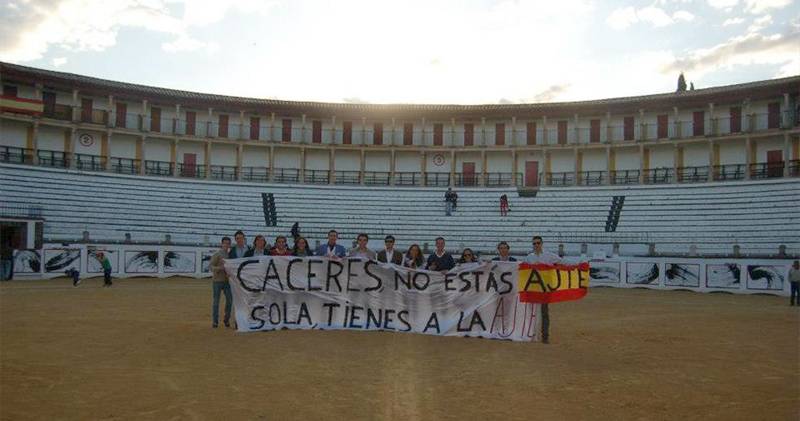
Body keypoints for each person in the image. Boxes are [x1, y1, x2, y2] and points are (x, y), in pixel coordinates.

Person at [525, 235, 561, 344]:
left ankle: (545, 335)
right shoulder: (529, 257)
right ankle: (531, 333)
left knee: (544, 312)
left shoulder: (549, 255)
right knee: (531, 311)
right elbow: (522, 269)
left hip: (545, 287)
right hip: (533, 288)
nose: (536, 245)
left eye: (538, 243)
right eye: (534, 243)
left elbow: (563, 262)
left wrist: (579, 265)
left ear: (542, 243)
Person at [210, 236, 233, 328]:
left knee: (230, 300)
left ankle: (226, 319)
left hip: (227, 281)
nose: (226, 245)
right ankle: (215, 321)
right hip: (217, 281)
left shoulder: (230, 255)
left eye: (228, 243)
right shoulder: (217, 254)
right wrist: (220, 268)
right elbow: (211, 267)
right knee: (216, 301)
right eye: (225, 243)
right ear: (222, 244)